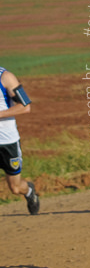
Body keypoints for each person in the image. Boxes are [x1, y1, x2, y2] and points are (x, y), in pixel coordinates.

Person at [0, 66, 39, 214]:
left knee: (15, 188)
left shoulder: (6, 77)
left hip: (7, 142)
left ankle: (29, 191)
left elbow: (25, 106)